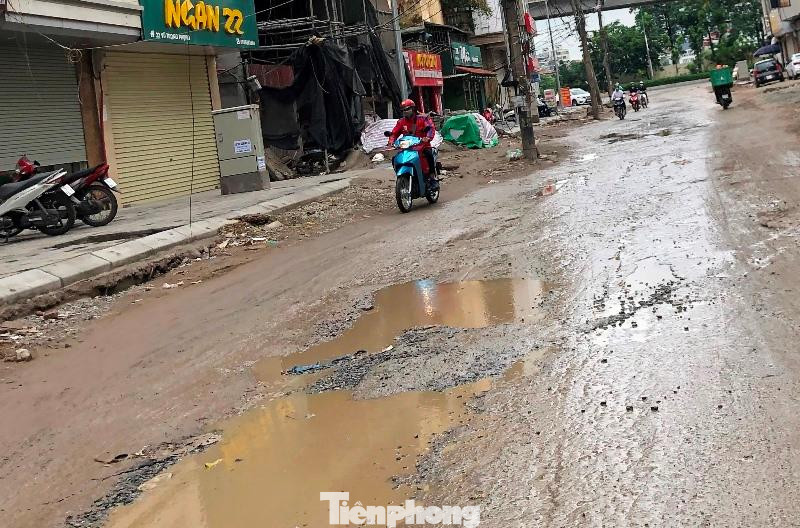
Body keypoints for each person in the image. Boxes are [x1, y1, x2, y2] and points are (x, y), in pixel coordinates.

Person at [388, 99, 437, 189]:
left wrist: (427, 138)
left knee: (428, 155)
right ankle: (402, 177)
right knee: (395, 158)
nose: (405, 112)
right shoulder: (401, 122)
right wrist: (391, 141)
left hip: (422, 146)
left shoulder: (423, 118)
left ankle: (432, 178)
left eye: (407, 109)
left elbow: (430, 128)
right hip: (407, 148)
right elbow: (394, 133)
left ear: (413, 109)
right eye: (403, 110)